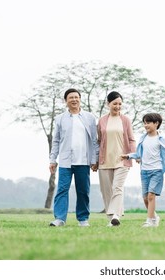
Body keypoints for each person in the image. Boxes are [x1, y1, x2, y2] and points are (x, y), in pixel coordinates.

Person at [49, 88, 99, 227]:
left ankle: (83, 219)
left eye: (76, 97)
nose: (74, 99)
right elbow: (56, 140)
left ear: (80, 99)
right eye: (71, 97)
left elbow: (94, 140)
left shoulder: (89, 117)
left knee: (83, 190)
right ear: (66, 101)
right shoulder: (60, 119)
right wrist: (53, 159)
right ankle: (59, 218)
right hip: (65, 161)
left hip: (83, 160)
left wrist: (95, 159)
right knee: (62, 190)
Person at [121, 113, 165, 227]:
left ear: (156, 124)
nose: (146, 125)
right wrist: (128, 156)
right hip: (144, 171)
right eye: (144, 123)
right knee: (146, 198)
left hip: (156, 170)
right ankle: (154, 217)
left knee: (151, 196)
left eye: (148, 123)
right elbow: (139, 153)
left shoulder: (160, 139)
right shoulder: (143, 138)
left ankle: (149, 221)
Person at [97, 91, 136, 227]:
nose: (118, 106)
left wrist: (133, 154)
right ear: (108, 104)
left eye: (120, 104)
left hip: (122, 160)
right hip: (105, 160)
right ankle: (111, 219)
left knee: (117, 187)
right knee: (106, 191)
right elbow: (99, 141)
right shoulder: (102, 120)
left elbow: (131, 140)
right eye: (115, 103)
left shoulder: (125, 120)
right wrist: (95, 160)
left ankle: (116, 215)